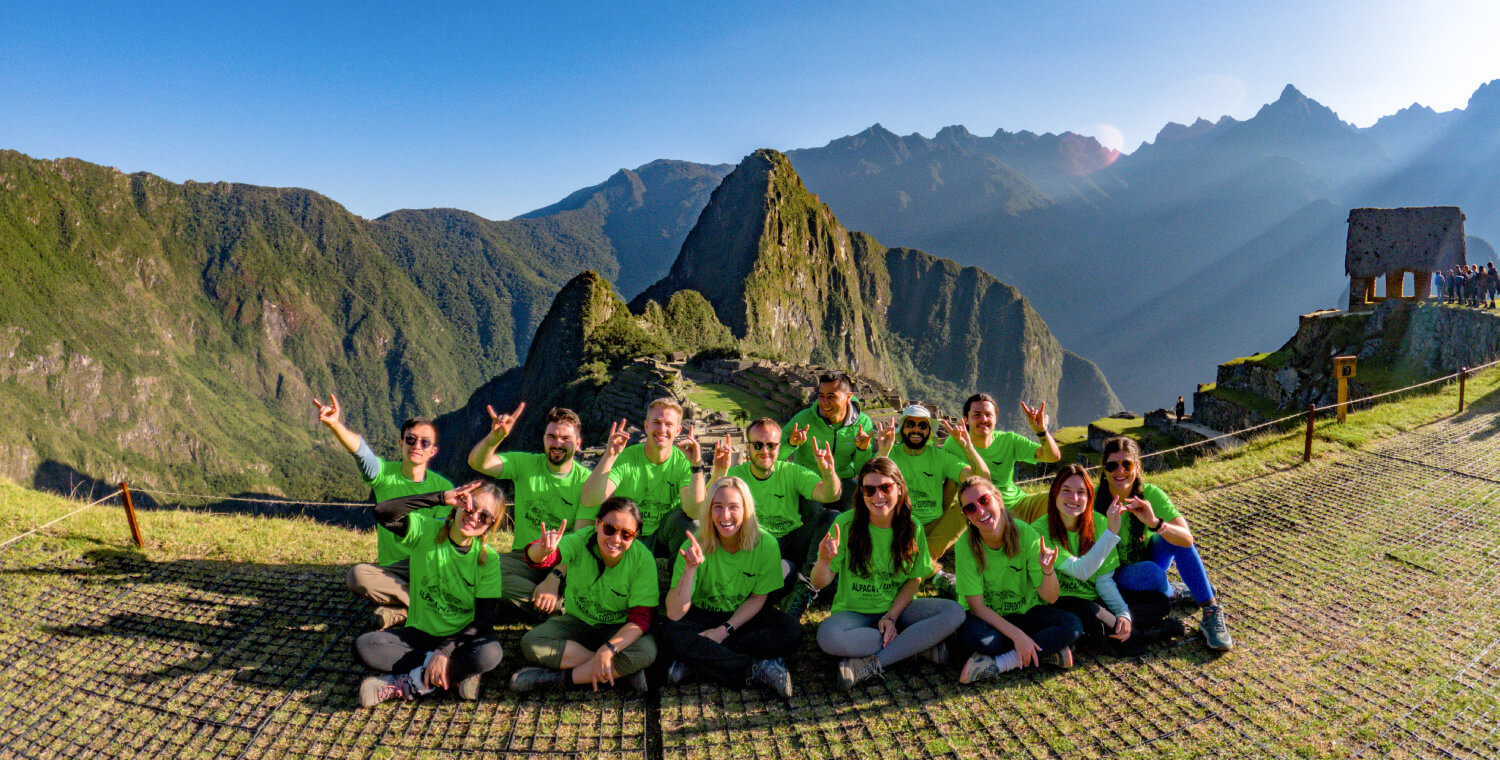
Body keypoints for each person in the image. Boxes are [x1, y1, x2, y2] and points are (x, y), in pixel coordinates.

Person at [812, 457, 965, 689]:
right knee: (828, 636)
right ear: (861, 493)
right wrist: (824, 560)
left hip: (899, 610)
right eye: (869, 490)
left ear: (899, 488)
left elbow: (914, 578)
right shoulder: (844, 524)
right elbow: (820, 582)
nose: (878, 496)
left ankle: (873, 663)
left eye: (885, 487)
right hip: (855, 614)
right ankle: (913, 645)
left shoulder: (913, 527)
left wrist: (891, 616)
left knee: (955, 612)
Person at [354, 481, 506, 706]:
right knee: (365, 647)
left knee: (490, 653)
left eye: (485, 517)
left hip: (460, 639)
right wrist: (440, 497)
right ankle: (456, 675)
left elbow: (483, 621)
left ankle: (406, 683)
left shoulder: (488, 559)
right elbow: (383, 512)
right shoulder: (427, 531)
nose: (474, 517)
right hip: (421, 633)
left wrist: (444, 651)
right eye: (471, 506)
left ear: (490, 526)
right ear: (459, 504)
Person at [314, 394, 455, 629]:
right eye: (411, 439)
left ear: (433, 451)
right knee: (357, 577)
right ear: (400, 443)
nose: (416, 446)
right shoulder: (384, 475)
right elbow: (362, 453)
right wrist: (335, 424)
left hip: (429, 565)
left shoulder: (444, 488)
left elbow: (444, 535)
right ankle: (423, 605)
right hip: (393, 569)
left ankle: (401, 608)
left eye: (425, 442)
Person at [657, 476, 800, 697]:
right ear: (708, 511)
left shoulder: (766, 544)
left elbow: (757, 598)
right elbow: (675, 613)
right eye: (717, 507)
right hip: (700, 616)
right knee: (667, 632)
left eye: (734, 507)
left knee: (790, 630)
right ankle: (754, 669)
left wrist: (724, 631)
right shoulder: (693, 545)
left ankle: (696, 662)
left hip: (739, 618)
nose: (725, 516)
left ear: (746, 510)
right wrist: (690, 568)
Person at [509, 497, 659, 692]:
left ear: (636, 536)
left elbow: (640, 620)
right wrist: (542, 550)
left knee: (646, 650)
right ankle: (618, 671)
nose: (615, 539)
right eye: (609, 529)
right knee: (531, 643)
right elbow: (542, 558)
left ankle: (559, 679)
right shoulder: (581, 539)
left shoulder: (643, 560)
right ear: (597, 524)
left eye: (626, 534)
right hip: (577, 622)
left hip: (617, 628)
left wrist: (610, 648)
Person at [1099, 437, 1234, 651]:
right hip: (1114, 573)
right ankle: (1172, 592)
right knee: (1152, 573)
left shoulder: (1150, 494)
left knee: (1174, 538)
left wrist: (1155, 523)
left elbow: (1187, 539)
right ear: (1104, 469)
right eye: (1112, 465)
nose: (1120, 471)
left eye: (1127, 464)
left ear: (1138, 466)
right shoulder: (1094, 500)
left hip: (1147, 556)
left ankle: (1210, 611)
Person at [951, 476, 1084, 683]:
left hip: (1025, 612)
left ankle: (1001, 663)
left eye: (984, 500)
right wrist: (1018, 636)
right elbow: (977, 607)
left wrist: (1047, 570)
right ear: (967, 516)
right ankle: (1046, 649)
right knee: (975, 639)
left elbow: (1050, 598)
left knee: (1073, 625)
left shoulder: (1025, 534)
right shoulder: (965, 545)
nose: (980, 511)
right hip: (989, 618)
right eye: (970, 508)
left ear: (998, 499)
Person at [467, 403, 593, 619]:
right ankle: (554, 610)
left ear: (578, 444)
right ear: (543, 438)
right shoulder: (526, 464)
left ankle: (530, 603)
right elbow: (478, 463)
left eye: (566, 439)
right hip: (523, 558)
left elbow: (581, 542)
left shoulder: (587, 483)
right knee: (481, 569)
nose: (557, 443)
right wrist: (495, 437)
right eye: (551, 437)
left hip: (565, 563)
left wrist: (554, 578)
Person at [706, 418, 841, 618]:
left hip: (791, 539)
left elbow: (830, 495)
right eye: (758, 445)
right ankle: (793, 582)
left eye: (771, 445)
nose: (765, 451)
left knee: (831, 517)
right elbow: (706, 507)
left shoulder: (791, 471)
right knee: (783, 572)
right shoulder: (735, 475)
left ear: (780, 447)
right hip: (756, 544)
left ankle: (805, 586)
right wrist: (718, 472)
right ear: (748, 447)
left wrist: (829, 473)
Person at [1033, 464, 1174, 654]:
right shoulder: (1040, 531)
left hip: (1096, 597)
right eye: (1066, 490)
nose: (1074, 498)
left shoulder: (1098, 522)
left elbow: (1103, 579)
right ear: (1054, 494)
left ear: (1089, 497)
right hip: (1063, 601)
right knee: (1090, 614)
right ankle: (1143, 633)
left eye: (1081, 492)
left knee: (1160, 603)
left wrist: (1123, 614)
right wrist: (1111, 533)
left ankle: (1113, 630)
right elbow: (1081, 572)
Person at [874, 404, 989, 591]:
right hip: (903, 526)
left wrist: (967, 447)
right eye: (911, 424)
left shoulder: (939, 457)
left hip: (936, 525)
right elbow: (870, 486)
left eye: (922, 425)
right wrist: (883, 453)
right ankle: (936, 575)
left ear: (929, 431)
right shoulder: (890, 455)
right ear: (903, 428)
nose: (916, 429)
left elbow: (982, 481)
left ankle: (910, 560)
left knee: (969, 509)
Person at [581, 398, 704, 560]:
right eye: (656, 422)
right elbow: (590, 500)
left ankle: (679, 579)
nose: (662, 429)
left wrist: (696, 465)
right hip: (626, 535)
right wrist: (609, 456)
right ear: (646, 426)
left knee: (686, 524)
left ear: (678, 430)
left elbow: (694, 511)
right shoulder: (627, 458)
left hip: (661, 537)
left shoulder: (682, 463)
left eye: (668, 424)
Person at [941, 393, 1061, 525]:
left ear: (996, 419)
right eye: (977, 415)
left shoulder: (1009, 440)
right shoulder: (954, 443)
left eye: (988, 415)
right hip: (981, 511)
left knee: (1061, 499)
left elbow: (1052, 456)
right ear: (966, 420)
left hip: (1019, 505)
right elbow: (949, 483)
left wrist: (1041, 431)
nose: (983, 419)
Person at [779, 372, 876, 510]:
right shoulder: (803, 420)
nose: (824, 403)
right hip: (809, 480)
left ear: (848, 397)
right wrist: (790, 444)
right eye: (821, 396)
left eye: (831, 397)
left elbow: (862, 470)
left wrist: (862, 450)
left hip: (843, 481)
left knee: (860, 506)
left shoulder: (862, 424)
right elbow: (774, 456)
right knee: (813, 512)